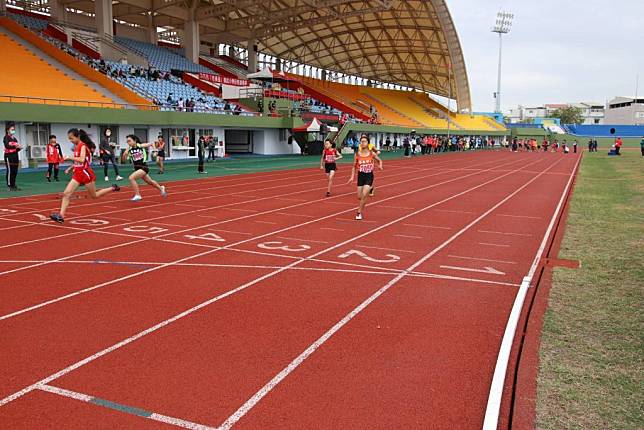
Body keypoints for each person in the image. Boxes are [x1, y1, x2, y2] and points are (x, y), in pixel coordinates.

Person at [50, 129, 120, 223]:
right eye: (69, 139)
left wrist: (69, 157)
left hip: (85, 173)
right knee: (66, 194)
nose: (70, 140)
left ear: (77, 137)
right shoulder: (76, 146)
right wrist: (70, 168)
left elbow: (82, 159)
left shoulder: (82, 146)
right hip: (77, 174)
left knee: (94, 196)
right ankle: (61, 216)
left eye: (71, 138)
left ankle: (112, 188)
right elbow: (78, 161)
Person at [121, 134, 167, 202]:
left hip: (143, 167)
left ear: (134, 140)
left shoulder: (140, 146)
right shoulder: (129, 149)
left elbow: (151, 144)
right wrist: (124, 155)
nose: (128, 143)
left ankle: (137, 195)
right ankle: (161, 188)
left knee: (131, 178)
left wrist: (155, 151)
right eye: (127, 141)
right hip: (137, 168)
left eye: (129, 141)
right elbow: (123, 161)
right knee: (150, 182)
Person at [347, 135, 383, 220]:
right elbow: (354, 166)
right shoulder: (357, 154)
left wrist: (380, 166)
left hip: (369, 175)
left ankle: (359, 212)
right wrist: (352, 177)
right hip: (360, 175)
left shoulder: (372, 153)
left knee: (364, 194)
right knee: (359, 197)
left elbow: (379, 160)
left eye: (364, 141)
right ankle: (368, 192)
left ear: (368, 143)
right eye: (361, 141)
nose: (362, 143)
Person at [4, 122, 21, 191]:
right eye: (12, 129)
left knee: (15, 171)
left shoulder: (15, 139)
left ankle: (13, 185)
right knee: (10, 171)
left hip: (15, 156)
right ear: (8, 130)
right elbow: (7, 146)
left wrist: (19, 148)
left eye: (14, 129)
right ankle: (9, 185)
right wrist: (15, 146)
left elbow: (17, 149)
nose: (13, 130)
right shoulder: (6, 137)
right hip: (9, 156)